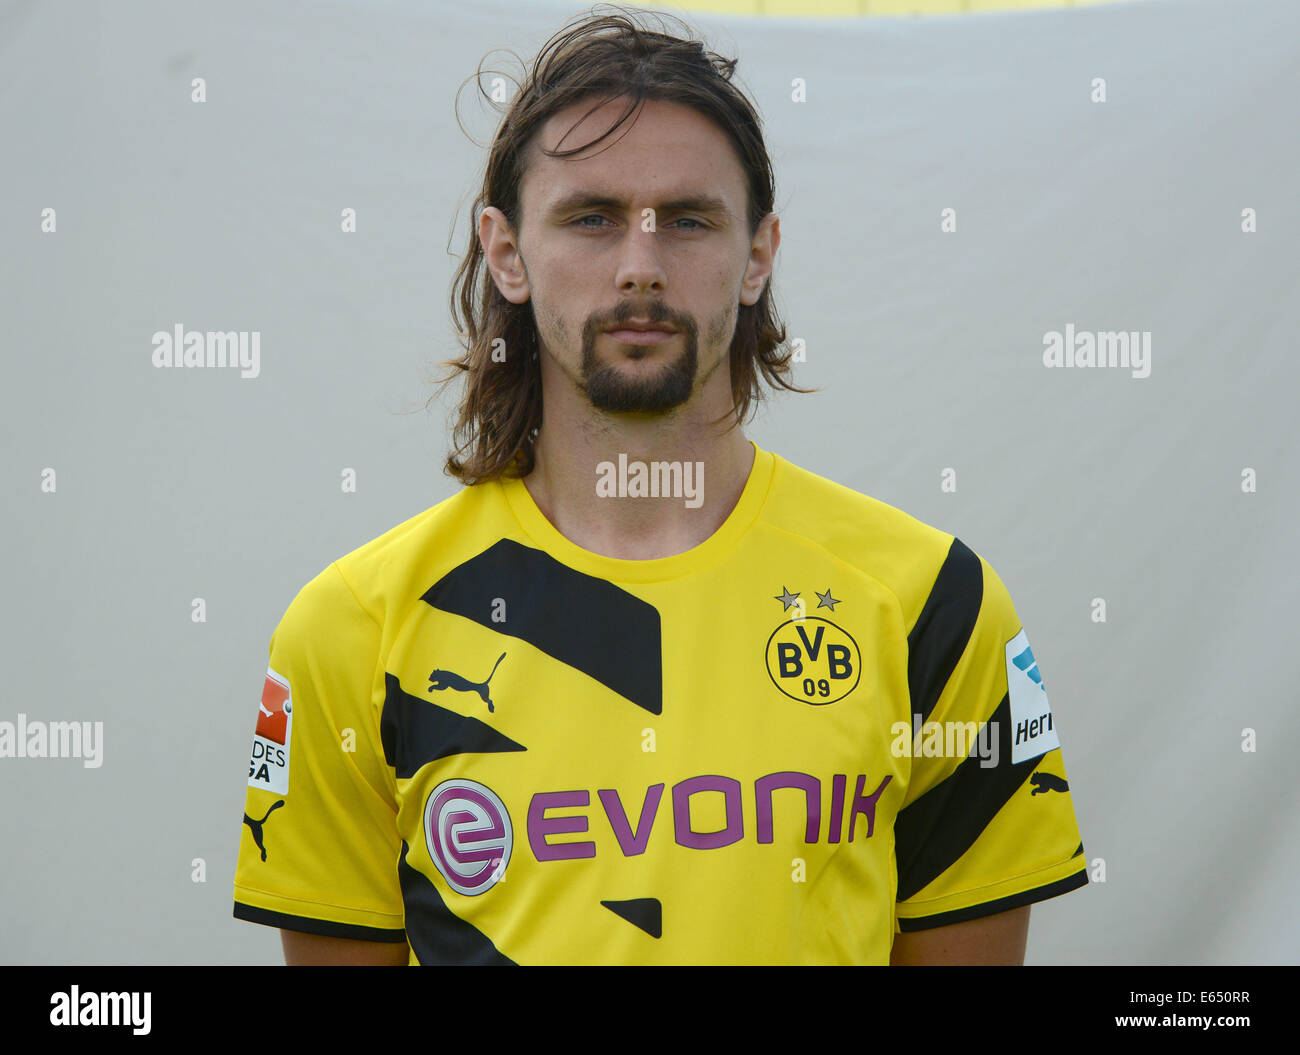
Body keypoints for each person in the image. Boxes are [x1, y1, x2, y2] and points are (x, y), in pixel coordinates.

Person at [232, 5, 1087, 965]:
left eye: (687, 220)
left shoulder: (936, 605)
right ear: (506, 251)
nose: (640, 268)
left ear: (757, 254)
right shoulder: (350, 629)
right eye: (591, 218)